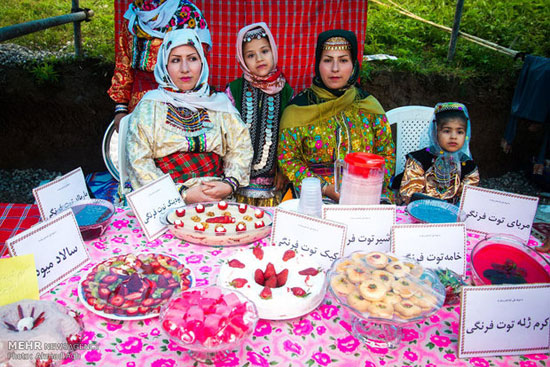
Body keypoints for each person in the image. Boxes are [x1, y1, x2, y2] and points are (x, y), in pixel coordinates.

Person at [124, 29, 253, 204]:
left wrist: (230, 183)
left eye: (192, 58)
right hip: (164, 199)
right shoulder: (149, 107)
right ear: (165, 65)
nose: (185, 69)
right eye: (176, 60)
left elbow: (241, 147)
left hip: (216, 196)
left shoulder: (220, 105)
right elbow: (138, 162)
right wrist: (181, 193)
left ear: (202, 62)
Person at [278, 30, 395, 202]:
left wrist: (366, 186)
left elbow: (387, 154)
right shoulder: (298, 109)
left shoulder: (369, 106)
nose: (335, 69)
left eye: (343, 60)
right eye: (327, 60)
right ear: (318, 63)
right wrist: (324, 187)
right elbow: (287, 159)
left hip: (366, 196)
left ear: (353, 65)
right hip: (314, 197)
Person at [108, 0, 212, 131]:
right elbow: (123, 65)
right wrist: (121, 108)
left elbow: (195, 68)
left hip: (179, 105)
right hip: (138, 106)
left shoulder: (189, 15)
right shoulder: (133, 17)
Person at [225, 22, 294, 206]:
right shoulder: (234, 90)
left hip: (273, 187)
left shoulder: (287, 92)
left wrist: (283, 171)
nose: (259, 59)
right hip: (237, 184)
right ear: (242, 59)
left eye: (264, 51)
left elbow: (288, 137)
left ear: (274, 51)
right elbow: (226, 134)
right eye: (250, 55)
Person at [399, 102, 480, 204]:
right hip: (420, 211)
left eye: (459, 132)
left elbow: (468, 200)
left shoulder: (468, 166)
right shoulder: (419, 160)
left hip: (452, 215)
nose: (453, 137)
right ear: (434, 132)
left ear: (466, 134)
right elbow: (410, 193)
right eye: (447, 131)